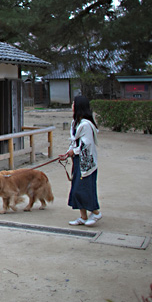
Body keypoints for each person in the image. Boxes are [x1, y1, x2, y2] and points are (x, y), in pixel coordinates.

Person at [58, 95, 102, 226]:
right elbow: (74, 142)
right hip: (78, 160)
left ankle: (95, 212)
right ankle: (83, 216)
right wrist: (68, 152)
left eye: (74, 103)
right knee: (76, 188)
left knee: (84, 189)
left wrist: (74, 151)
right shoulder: (75, 123)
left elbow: (87, 145)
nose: (72, 105)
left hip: (87, 162)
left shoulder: (86, 125)